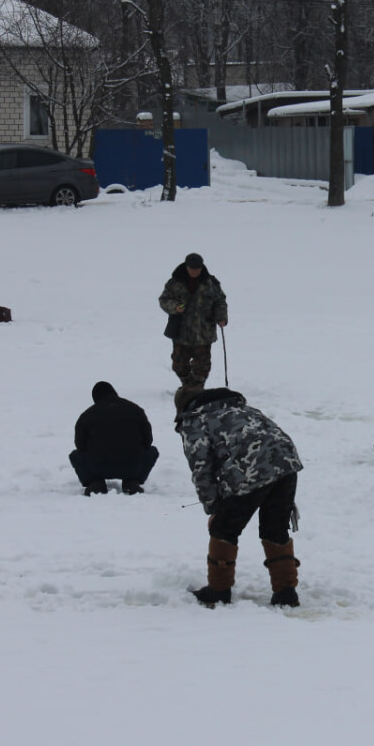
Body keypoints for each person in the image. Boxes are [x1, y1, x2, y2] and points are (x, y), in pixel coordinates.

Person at [176, 387, 303, 608]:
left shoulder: (195, 420)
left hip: (249, 468)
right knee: (275, 527)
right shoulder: (242, 408)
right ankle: (286, 592)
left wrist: (214, 509)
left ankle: (218, 590)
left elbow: (201, 470)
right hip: (285, 462)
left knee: (224, 529)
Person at [158, 253, 227, 403]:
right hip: (181, 332)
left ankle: (196, 389)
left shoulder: (211, 283)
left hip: (204, 332)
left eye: (198, 268)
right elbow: (164, 300)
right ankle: (188, 385)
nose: (195, 271)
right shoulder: (175, 282)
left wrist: (221, 317)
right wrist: (176, 307)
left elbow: (220, 301)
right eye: (192, 268)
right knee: (178, 363)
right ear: (187, 267)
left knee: (202, 365)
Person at [68, 381, 159, 496]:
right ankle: (132, 481)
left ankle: (95, 482)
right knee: (152, 451)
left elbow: (80, 445)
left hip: (97, 466)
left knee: (75, 455)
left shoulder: (87, 414)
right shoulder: (135, 410)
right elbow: (148, 441)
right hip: (132, 465)